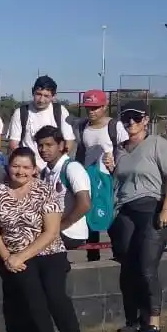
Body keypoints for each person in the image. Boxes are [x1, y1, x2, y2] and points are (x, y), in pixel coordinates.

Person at [0, 147, 89, 332]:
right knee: (34, 300)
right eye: (15, 166)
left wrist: (21, 255)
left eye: (25, 167)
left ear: (34, 170)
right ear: (8, 167)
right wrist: (7, 257)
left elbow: (52, 231)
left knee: (56, 297)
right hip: (16, 257)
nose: (20, 171)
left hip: (48, 253)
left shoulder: (45, 191)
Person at [109, 101, 167, 332]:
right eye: (126, 119)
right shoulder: (120, 149)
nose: (130, 123)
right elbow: (120, 183)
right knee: (128, 266)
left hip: (151, 209)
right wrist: (111, 170)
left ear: (146, 120)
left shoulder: (158, 144)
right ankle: (136, 320)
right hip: (125, 212)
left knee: (147, 268)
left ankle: (153, 326)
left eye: (135, 118)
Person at [74, 89, 126, 263]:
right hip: (90, 180)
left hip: (111, 181)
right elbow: (81, 153)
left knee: (113, 219)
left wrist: (116, 164)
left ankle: (120, 256)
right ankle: (93, 258)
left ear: (104, 106)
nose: (92, 111)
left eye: (96, 107)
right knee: (91, 220)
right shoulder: (83, 127)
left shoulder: (114, 126)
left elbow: (128, 150)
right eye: (88, 107)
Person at [35, 126, 92, 257]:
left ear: (60, 145)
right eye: (40, 145)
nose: (43, 150)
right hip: (52, 230)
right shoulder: (45, 173)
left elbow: (85, 204)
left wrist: (59, 227)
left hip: (71, 233)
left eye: (49, 145)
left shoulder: (72, 168)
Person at [6, 75, 75, 167]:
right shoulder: (21, 112)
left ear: (53, 96)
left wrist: (58, 165)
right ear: (32, 92)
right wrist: (31, 167)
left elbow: (69, 142)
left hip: (54, 168)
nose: (41, 100)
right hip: (30, 169)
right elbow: (14, 145)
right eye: (38, 94)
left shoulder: (60, 111)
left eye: (46, 96)